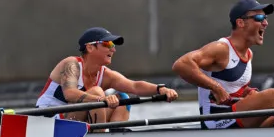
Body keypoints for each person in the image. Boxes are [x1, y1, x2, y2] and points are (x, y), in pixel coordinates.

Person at [171, 0, 274, 129]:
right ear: (240, 23)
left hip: (236, 117)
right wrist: (216, 88)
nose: (265, 22)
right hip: (215, 121)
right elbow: (181, 64)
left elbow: (233, 87)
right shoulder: (221, 48)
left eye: (265, 18)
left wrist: (248, 93)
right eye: (259, 18)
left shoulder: (248, 54)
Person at [36, 27, 179, 125]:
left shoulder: (106, 75)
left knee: (123, 99)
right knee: (97, 92)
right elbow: (70, 94)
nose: (113, 49)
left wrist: (161, 89)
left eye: (113, 45)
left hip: (71, 122)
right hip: (47, 122)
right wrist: (101, 99)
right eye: (107, 43)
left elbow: (134, 86)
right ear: (90, 47)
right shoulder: (71, 64)